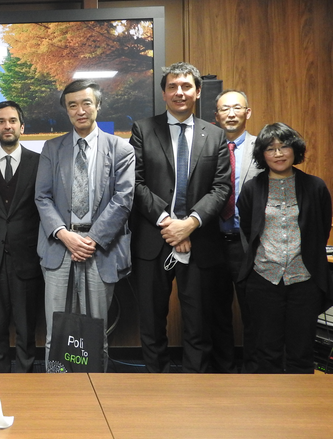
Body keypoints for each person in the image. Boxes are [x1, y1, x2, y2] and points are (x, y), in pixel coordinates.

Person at [129, 63, 230, 373]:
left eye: (186, 86)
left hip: (200, 241)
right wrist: (168, 222)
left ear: (198, 92)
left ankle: (195, 387)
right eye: (172, 86)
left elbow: (221, 186)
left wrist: (190, 224)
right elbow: (135, 182)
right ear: (163, 93)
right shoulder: (143, 129)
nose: (179, 92)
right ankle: (156, 384)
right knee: (152, 320)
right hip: (153, 241)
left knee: (198, 322)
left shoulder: (215, 134)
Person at [35, 80, 135, 371]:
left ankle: (95, 400)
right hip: (59, 247)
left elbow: (124, 200)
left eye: (86, 103)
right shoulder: (52, 148)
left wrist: (90, 240)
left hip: (100, 250)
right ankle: (58, 398)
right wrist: (66, 235)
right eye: (72, 105)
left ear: (98, 105)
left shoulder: (120, 149)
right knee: (57, 333)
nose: (80, 110)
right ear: (66, 111)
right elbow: (42, 197)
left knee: (96, 334)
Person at [237, 123, 331, 374]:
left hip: (305, 280)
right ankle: (269, 411)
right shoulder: (251, 189)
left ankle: (300, 410)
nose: (278, 154)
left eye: (284, 146)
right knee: (266, 353)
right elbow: (249, 229)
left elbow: (320, 230)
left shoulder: (315, 186)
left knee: (301, 353)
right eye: (271, 149)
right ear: (262, 154)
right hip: (264, 280)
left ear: (295, 150)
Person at [0, 101, 42, 373]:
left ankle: (26, 380)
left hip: (27, 258)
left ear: (22, 127)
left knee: (27, 328)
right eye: (1, 121)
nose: (7, 126)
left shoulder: (40, 163)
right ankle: (0, 380)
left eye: (12, 120)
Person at [210, 90, 262, 373]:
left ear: (247, 112)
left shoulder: (263, 148)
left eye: (237, 108)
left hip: (250, 244)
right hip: (213, 241)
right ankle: (223, 371)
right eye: (224, 109)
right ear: (215, 116)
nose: (231, 113)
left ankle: (255, 370)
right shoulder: (205, 148)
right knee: (216, 312)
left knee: (253, 311)